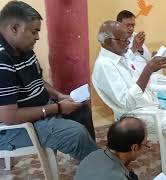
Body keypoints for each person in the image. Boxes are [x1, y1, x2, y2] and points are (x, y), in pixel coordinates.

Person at [92, 20, 166, 174]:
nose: (128, 44)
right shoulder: (105, 65)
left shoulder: (120, 55)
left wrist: (151, 71)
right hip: (138, 114)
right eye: (125, 40)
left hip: (150, 102)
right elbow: (126, 103)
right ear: (110, 41)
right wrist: (148, 70)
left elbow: (138, 83)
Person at [0, 1, 97, 160]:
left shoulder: (23, 49)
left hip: (41, 110)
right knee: (76, 134)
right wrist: (57, 108)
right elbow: (9, 117)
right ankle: (100, 170)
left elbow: (37, 81)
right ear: (14, 28)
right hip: (16, 129)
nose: (37, 37)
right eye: (34, 32)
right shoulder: (2, 61)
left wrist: (59, 96)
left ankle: (90, 163)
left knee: (82, 110)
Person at [116, 10, 166, 98]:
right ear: (119, 25)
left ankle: (165, 108)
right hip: (134, 76)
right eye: (128, 25)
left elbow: (147, 58)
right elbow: (120, 62)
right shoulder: (114, 40)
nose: (131, 28)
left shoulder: (136, 36)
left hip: (148, 72)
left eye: (133, 25)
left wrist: (143, 51)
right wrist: (134, 48)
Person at [74, 117, 147, 180]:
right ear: (134, 147)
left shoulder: (95, 154)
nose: (147, 145)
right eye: (145, 143)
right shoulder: (116, 177)